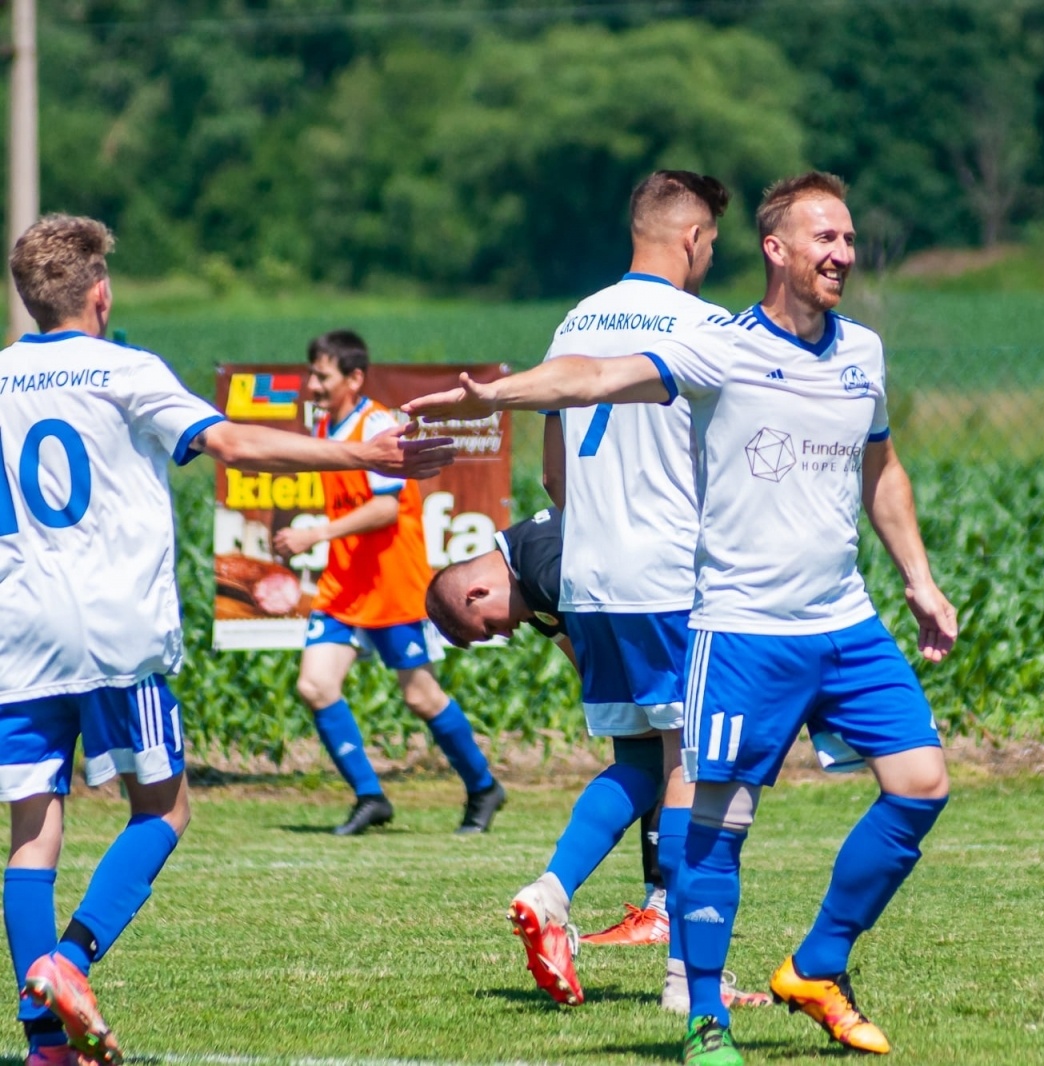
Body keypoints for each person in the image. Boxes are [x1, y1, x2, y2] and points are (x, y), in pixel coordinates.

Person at [406, 171, 956, 1066]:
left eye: (850, 239)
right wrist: (492, 398)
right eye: (826, 238)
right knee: (712, 817)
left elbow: (881, 466)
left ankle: (817, 963)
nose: (844, 255)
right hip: (733, 619)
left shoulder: (862, 352)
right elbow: (595, 377)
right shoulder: (717, 342)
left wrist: (920, 581)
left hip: (838, 619)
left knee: (921, 783)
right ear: (769, 250)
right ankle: (704, 1015)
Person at [0, 214, 451, 1066]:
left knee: (32, 835)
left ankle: (43, 1047)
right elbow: (233, 441)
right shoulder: (124, 369)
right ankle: (69, 961)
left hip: (17, 632)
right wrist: (369, 453)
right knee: (163, 809)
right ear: (100, 292)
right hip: (112, 633)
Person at [271, 331, 505, 837]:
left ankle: (484, 786)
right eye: (312, 373)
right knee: (315, 685)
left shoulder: (378, 425)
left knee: (421, 697)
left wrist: (315, 532)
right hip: (344, 585)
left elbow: (384, 508)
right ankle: (370, 797)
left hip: (390, 584)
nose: (312, 384)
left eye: (322, 375)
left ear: (354, 378)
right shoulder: (329, 421)